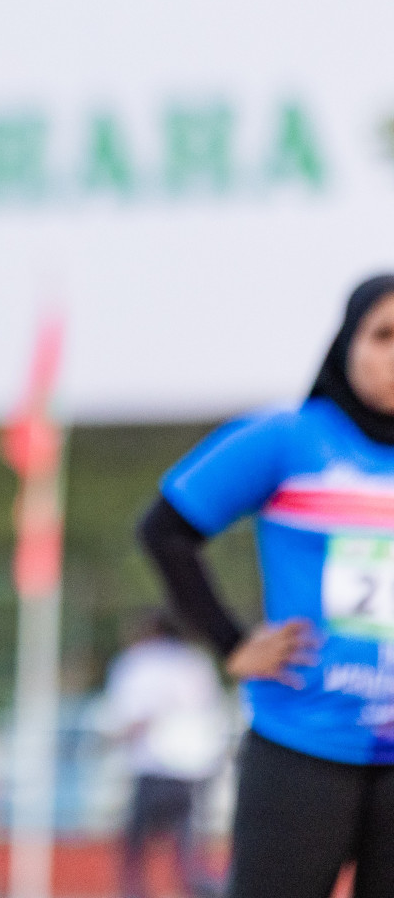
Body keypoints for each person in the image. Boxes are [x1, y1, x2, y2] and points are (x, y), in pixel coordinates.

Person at [136, 274, 394, 898]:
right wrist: (231, 642)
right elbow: (165, 531)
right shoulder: (287, 439)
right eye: (384, 336)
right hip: (301, 748)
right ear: (347, 343)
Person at [101, 609, 228, 898]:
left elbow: (133, 717)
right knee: (190, 857)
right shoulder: (197, 662)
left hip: (153, 765)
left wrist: (112, 742)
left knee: (135, 854)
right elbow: (211, 713)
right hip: (196, 768)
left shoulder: (137, 663)